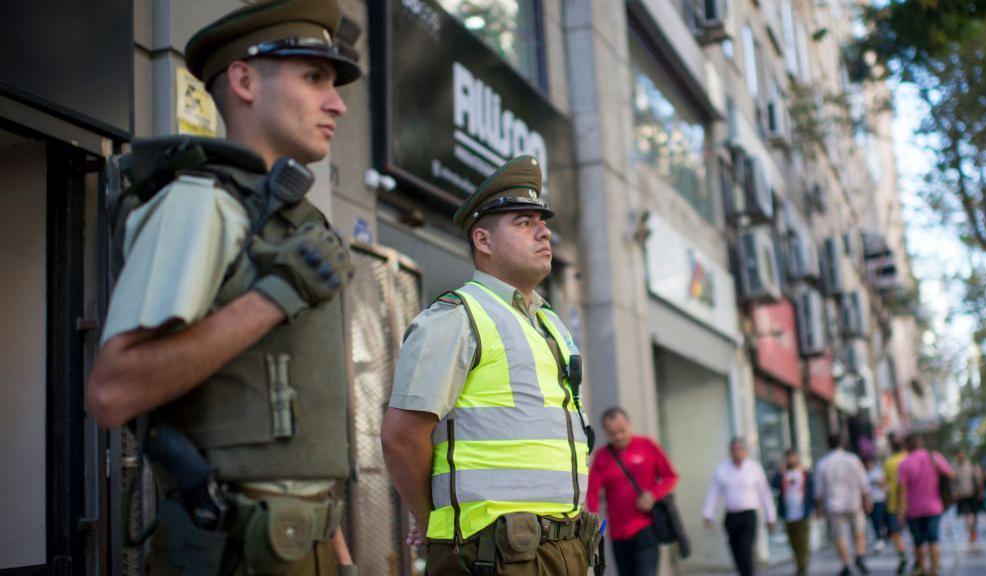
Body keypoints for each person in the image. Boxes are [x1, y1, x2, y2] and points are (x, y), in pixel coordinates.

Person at [84, 1, 361, 573]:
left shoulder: (292, 217)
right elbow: (113, 392)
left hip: (303, 545)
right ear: (243, 80)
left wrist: (338, 556)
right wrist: (274, 297)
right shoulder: (202, 205)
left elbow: (299, 450)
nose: (336, 102)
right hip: (233, 551)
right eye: (313, 78)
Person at [380, 156, 602, 575]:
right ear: (483, 241)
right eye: (523, 222)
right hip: (494, 557)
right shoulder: (457, 318)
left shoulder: (548, 321)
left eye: (543, 221)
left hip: (564, 550)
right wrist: (433, 525)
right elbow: (401, 437)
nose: (544, 231)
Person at [587, 407, 679, 576]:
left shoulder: (647, 446)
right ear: (606, 433)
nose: (619, 436)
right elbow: (592, 492)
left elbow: (670, 477)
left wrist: (653, 495)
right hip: (618, 533)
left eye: (622, 430)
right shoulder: (602, 457)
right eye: (612, 433)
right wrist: (593, 518)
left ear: (629, 424)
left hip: (646, 528)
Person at [702, 437, 777, 576]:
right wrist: (708, 514)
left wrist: (771, 516)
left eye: (740, 449)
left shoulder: (754, 469)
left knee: (745, 549)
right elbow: (713, 493)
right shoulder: (722, 469)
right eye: (734, 450)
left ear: (745, 451)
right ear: (730, 452)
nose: (737, 453)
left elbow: (765, 494)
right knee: (736, 550)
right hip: (731, 517)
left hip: (748, 516)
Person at [814, 434, 871, 576]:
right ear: (842, 443)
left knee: (839, 536)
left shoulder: (823, 463)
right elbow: (863, 482)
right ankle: (859, 555)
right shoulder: (853, 459)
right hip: (854, 502)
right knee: (858, 531)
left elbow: (819, 490)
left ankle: (846, 564)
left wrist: (819, 507)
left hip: (833, 504)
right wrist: (867, 498)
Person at [898, 434, 953, 576]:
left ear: (907, 446)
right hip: (934, 506)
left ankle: (922, 569)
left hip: (913, 509)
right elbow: (950, 474)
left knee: (918, 542)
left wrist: (901, 512)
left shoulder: (904, 464)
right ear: (921, 444)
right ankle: (934, 570)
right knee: (933, 540)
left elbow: (903, 492)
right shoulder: (933, 457)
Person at [777, 449, 815, 576]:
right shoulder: (783, 474)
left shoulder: (805, 473)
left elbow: (811, 491)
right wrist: (780, 473)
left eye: (793, 457)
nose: (791, 460)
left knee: (803, 541)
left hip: (802, 512)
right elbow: (773, 484)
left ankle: (802, 567)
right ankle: (799, 565)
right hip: (788, 513)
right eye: (788, 457)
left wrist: (812, 508)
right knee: (793, 541)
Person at [883, 434, 910, 574]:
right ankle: (919, 560)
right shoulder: (909, 458)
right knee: (915, 532)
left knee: (896, 533)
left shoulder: (888, 462)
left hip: (894, 503)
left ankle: (902, 555)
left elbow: (885, 484)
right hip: (912, 502)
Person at [952, 449, 983, 543]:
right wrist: (955, 493)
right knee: (967, 515)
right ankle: (971, 533)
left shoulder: (972, 466)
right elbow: (954, 483)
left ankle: (974, 531)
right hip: (963, 495)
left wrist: (981, 493)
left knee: (974, 515)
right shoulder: (956, 468)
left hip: (973, 494)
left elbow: (979, 480)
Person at [865, 458, 888, 552]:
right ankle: (879, 538)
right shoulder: (865, 473)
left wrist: (878, 483)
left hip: (879, 500)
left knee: (878, 520)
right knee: (874, 521)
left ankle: (880, 539)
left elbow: (884, 485)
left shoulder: (877, 472)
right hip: (870, 501)